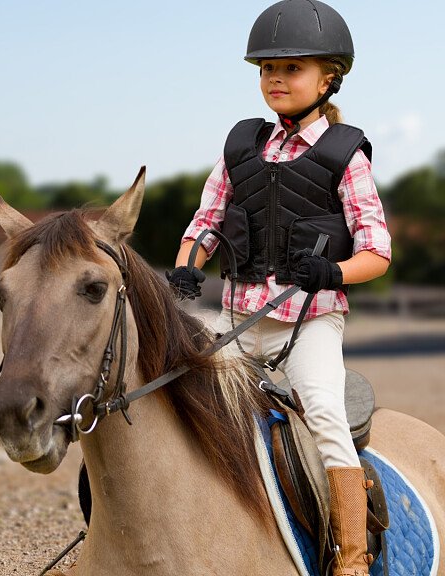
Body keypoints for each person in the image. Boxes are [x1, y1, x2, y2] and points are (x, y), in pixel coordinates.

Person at [168, 2, 392, 575]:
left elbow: (377, 251)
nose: (277, 78)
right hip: (236, 320)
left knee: (326, 417)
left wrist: (334, 273)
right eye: (268, 69)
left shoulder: (345, 155)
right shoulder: (240, 148)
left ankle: (352, 557)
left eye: (293, 68)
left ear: (328, 79)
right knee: (169, 393)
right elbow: (206, 223)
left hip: (309, 321)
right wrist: (189, 265)